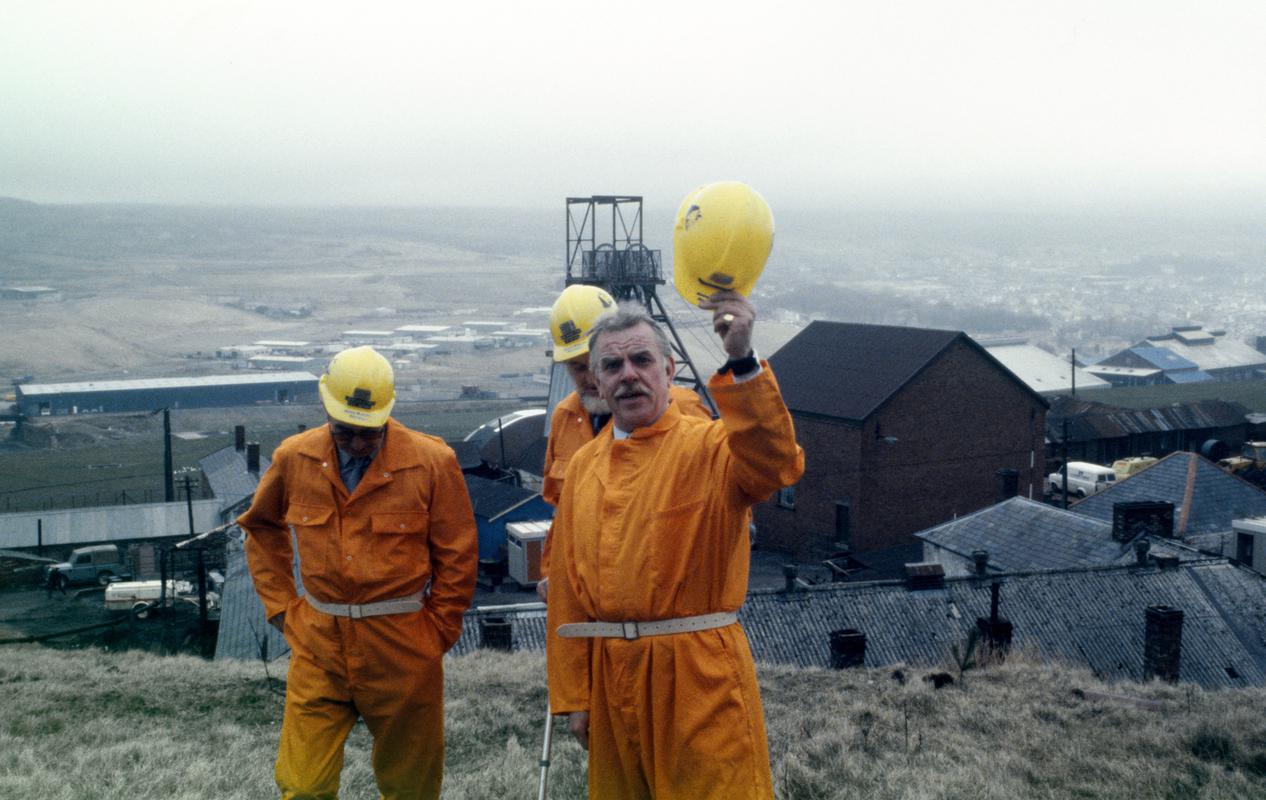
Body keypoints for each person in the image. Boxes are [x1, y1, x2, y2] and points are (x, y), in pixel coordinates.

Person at [546, 292, 803, 799]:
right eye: (612, 365)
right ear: (595, 380)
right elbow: (568, 596)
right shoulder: (583, 469)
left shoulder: (710, 446)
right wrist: (575, 696)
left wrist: (743, 359)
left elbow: (776, 464)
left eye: (642, 360)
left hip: (699, 680)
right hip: (611, 679)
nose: (629, 375)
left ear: (668, 369)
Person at [238, 346, 477, 800]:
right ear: (326, 410)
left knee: (411, 787)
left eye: (371, 433)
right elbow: (260, 528)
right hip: (318, 644)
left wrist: (438, 629)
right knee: (303, 786)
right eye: (346, 433)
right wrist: (282, 610)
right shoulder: (293, 457)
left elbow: (458, 552)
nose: (359, 445)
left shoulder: (432, 461)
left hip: (404, 647)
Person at [538, 284, 711, 600]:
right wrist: (553, 576)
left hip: (663, 600)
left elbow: (721, 512)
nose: (591, 378)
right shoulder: (565, 417)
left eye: (599, 363)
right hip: (587, 596)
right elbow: (562, 517)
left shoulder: (681, 409)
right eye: (578, 367)